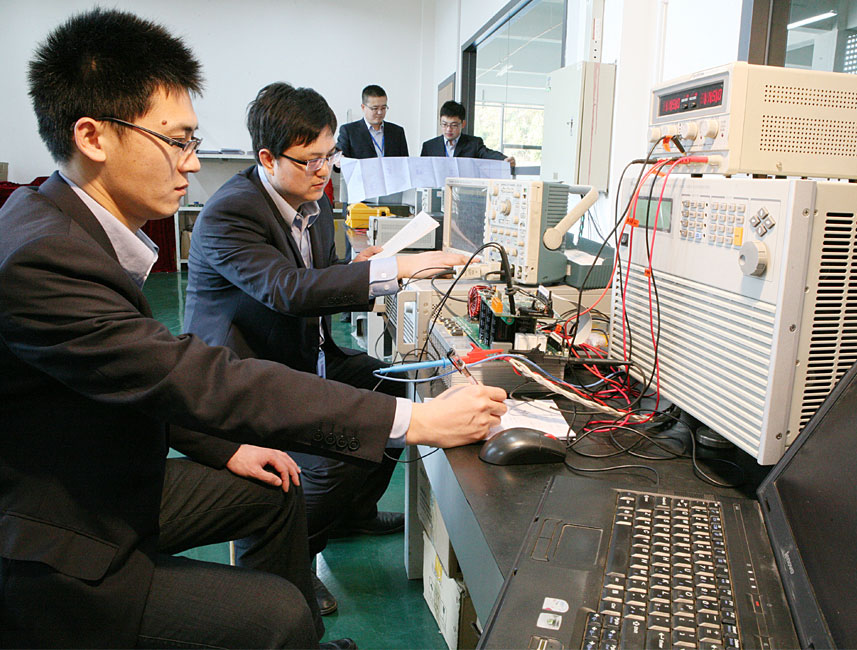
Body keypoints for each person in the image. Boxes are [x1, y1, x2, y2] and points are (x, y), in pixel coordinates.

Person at [0, 8, 507, 649]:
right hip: (63, 536)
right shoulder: (44, 258)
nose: (191, 163)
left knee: (276, 490)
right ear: (93, 137)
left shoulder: (66, 225)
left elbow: (131, 375)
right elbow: (192, 372)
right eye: (177, 141)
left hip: (113, 473)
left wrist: (225, 451)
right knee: (277, 615)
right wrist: (418, 420)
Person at [174, 81, 460, 617]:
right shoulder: (231, 213)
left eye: (331, 156)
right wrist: (395, 268)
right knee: (330, 460)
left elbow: (317, 273)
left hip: (306, 354)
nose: (324, 170)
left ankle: (354, 513)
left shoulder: (314, 200)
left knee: (394, 387)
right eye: (310, 160)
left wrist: (355, 267)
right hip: (246, 379)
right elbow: (287, 290)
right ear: (267, 158)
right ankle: (296, 553)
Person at [420, 100, 515, 167]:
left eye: (454, 125)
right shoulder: (429, 147)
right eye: (444, 124)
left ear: (463, 124)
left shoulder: (474, 144)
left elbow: (488, 154)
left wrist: (504, 160)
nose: (448, 129)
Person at [335, 85, 409, 160]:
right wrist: (338, 159)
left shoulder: (397, 132)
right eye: (375, 108)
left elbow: (405, 162)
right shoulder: (349, 131)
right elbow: (338, 157)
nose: (380, 112)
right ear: (363, 107)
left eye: (383, 108)